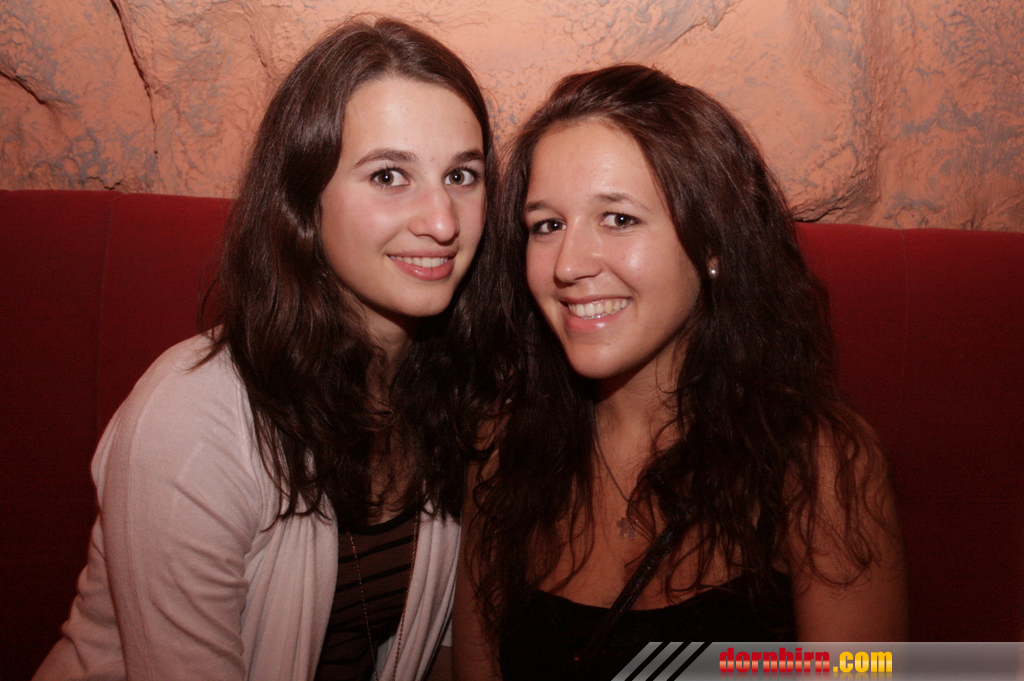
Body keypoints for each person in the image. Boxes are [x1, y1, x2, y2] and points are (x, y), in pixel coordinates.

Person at [34, 17, 495, 681]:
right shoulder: (193, 422)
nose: (443, 221)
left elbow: (447, 646)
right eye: (389, 175)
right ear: (304, 203)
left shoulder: (460, 392)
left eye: (462, 175)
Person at [453, 64, 907, 681]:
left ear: (712, 243)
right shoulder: (503, 447)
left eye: (618, 219)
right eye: (547, 226)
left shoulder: (817, 464)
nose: (568, 265)